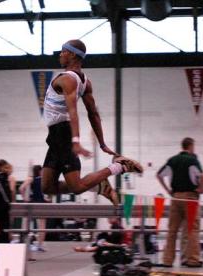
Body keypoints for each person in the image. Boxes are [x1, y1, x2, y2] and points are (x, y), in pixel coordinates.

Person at [41, 39, 143, 206]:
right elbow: (93, 114)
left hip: (63, 135)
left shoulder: (67, 79)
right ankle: (99, 187)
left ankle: (119, 166)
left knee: (78, 186)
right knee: (47, 187)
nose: (60, 55)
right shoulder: (85, 82)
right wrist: (102, 143)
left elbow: (74, 111)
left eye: (63, 51)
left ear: (72, 54)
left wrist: (76, 141)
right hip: (55, 137)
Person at [155, 137, 203, 268]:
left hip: (176, 197)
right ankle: (193, 259)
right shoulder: (192, 160)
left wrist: (168, 191)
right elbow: (202, 177)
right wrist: (201, 189)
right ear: (190, 146)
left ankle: (167, 260)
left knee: (172, 230)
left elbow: (159, 175)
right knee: (192, 229)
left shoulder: (172, 160)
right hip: (190, 197)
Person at [20, 165, 48, 252]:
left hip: (34, 203)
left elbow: (21, 188)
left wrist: (24, 198)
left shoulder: (31, 179)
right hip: (41, 204)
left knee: (32, 224)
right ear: (39, 171)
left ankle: (30, 243)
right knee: (42, 226)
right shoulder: (41, 179)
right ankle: (40, 245)